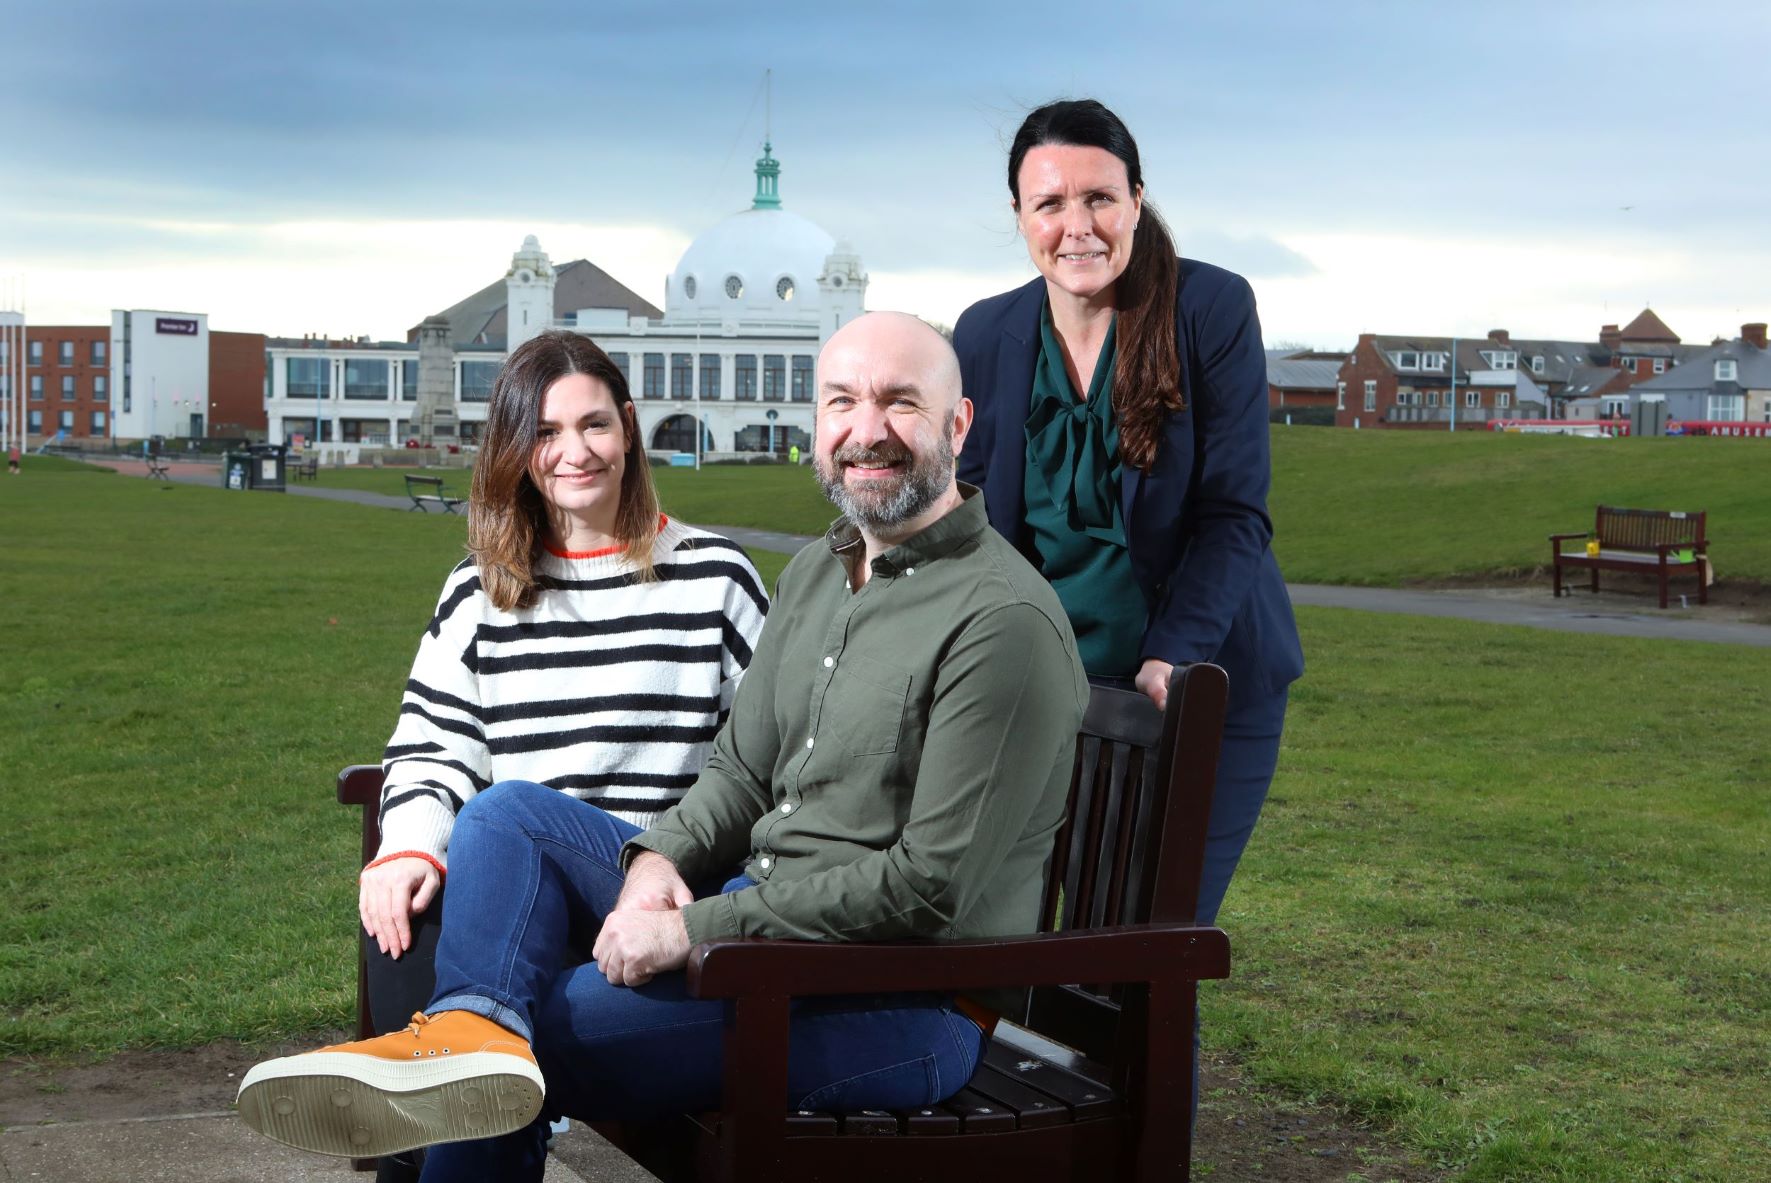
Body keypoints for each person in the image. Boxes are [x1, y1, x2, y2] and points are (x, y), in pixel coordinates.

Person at [237, 312, 1088, 1180]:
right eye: (842, 401)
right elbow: (741, 769)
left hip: (894, 1002)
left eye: (900, 402)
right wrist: (657, 857)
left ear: (957, 424)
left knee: (518, 1048)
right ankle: (466, 1021)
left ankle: (463, 1039)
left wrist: (693, 926)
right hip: (768, 937)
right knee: (504, 820)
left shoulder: (999, 621)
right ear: (817, 421)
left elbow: (928, 890)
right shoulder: (820, 573)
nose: (866, 429)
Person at [353, 329, 768, 1180]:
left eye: (594, 425)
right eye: (545, 432)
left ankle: (460, 1066)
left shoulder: (713, 576)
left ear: (629, 430)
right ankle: (429, 1131)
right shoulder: (478, 589)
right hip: (519, 899)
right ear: (513, 447)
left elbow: (767, 754)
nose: (574, 452)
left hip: (650, 885)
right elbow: (431, 741)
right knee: (406, 909)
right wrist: (407, 843)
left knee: (499, 851)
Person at [952, 97, 1304, 943]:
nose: (1077, 226)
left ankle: (1151, 1080)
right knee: (1012, 943)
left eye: (1099, 198)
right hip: (1048, 693)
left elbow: (1233, 514)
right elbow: (965, 521)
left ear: (1137, 200)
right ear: (1019, 216)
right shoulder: (985, 331)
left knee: (1144, 954)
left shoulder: (1208, 309)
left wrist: (1170, 655)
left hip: (1195, 682)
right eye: (1050, 203)